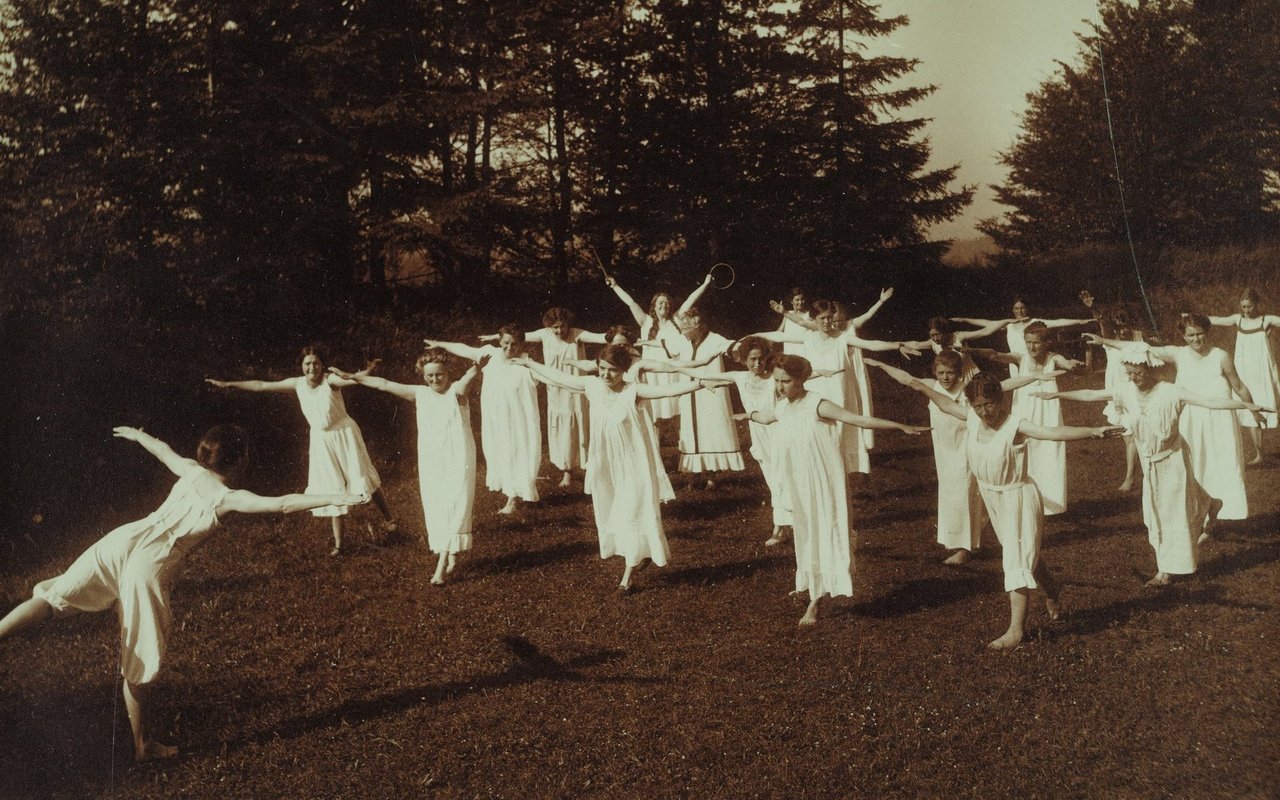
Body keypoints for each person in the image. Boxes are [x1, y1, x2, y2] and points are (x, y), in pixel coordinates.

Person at [0, 424, 367, 761]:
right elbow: (283, 503)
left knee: (51, 598)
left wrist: (136, 435)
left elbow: (163, 450)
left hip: (122, 540)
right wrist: (342, 496)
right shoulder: (227, 497)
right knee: (139, 660)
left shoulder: (192, 470)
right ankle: (143, 746)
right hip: (152, 564)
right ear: (239, 459)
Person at [877, 369, 1123, 649]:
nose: (984, 412)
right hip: (992, 498)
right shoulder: (971, 417)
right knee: (1021, 551)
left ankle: (1015, 632)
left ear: (1001, 400)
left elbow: (1053, 433)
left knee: (1016, 560)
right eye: (978, 405)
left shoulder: (1015, 424)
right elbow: (943, 402)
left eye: (989, 404)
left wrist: (1093, 431)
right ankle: (1052, 588)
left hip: (1017, 497)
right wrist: (918, 385)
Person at [1034, 344, 1266, 586]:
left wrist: (1247, 405)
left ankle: (1164, 572)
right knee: (1155, 513)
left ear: (1150, 369)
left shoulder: (1171, 391)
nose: (1134, 379)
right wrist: (1058, 395)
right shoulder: (1126, 391)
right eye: (1130, 374)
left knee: (1169, 515)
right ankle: (1208, 502)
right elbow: (1091, 394)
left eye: (1138, 373)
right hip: (1149, 464)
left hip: (1174, 459)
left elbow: (1210, 401)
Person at [512, 345, 725, 591]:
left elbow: (667, 390)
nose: (606, 375)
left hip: (635, 465)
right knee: (615, 513)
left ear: (624, 370)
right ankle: (639, 555)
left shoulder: (633, 391)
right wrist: (529, 363)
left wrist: (699, 384)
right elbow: (560, 378)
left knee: (632, 510)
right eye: (602, 369)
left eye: (612, 370)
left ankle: (628, 575)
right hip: (607, 465)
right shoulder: (592, 386)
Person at [743, 355, 928, 625]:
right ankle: (811, 580)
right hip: (798, 483)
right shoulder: (783, 407)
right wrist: (746, 414)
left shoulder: (818, 404)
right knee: (805, 535)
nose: (780, 387)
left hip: (823, 483)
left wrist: (898, 425)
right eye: (777, 381)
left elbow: (857, 419)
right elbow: (765, 417)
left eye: (786, 381)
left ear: (802, 379)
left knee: (825, 532)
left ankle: (816, 601)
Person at [866, 353, 1066, 565]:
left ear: (959, 372)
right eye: (941, 372)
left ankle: (966, 548)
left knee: (965, 497)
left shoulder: (969, 389)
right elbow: (907, 379)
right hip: (944, 452)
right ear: (935, 372)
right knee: (955, 498)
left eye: (950, 372)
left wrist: (1036, 377)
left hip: (968, 451)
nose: (945, 377)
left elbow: (1006, 384)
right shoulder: (933, 385)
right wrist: (879, 363)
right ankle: (976, 536)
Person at [205, 345, 396, 554]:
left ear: (322, 364)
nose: (312, 367)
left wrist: (368, 371)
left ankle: (390, 519)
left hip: (344, 434)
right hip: (321, 440)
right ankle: (340, 544)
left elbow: (352, 379)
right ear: (302, 365)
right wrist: (229, 384)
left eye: (316, 363)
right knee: (332, 487)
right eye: (307, 363)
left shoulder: (330, 381)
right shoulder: (296, 384)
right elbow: (261, 385)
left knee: (362, 475)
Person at [330, 349, 484, 585]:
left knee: (456, 502)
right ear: (423, 376)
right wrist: (353, 376)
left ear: (447, 373)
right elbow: (383, 383)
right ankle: (450, 552)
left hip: (458, 457)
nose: (434, 380)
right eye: (429, 376)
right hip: (432, 458)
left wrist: (476, 367)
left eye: (439, 374)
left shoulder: (456, 392)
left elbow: (465, 382)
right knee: (437, 505)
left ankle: (441, 566)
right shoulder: (420, 393)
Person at [1087, 313, 1259, 521]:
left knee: (1222, 463)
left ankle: (1227, 510)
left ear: (1207, 332)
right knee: (1191, 465)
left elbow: (1239, 386)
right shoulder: (1178, 354)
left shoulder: (1221, 356)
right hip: (1189, 419)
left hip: (1220, 422)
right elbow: (1141, 348)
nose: (1196, 339)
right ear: (1183, 336)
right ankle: (1199, 513)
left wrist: (1254, 410)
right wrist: (1104, 340)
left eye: (1200, 334)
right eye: (1191, 335)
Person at [762, 298, 921, 474]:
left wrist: (897, 346)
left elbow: (871, 345)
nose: (826, 322)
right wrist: (752, 337)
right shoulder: (807, 337)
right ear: (814, 319)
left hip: (840, 393)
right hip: (815, 395)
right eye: (822, 318)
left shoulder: (843, 339)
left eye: (829, 317)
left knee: (840, 433)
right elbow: (779, 336)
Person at [963, 322, 1084, 515]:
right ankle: (1027, 500)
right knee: (1024, 452)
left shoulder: (1053, 358)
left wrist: (1071, 364)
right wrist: (972, 350)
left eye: (1036, 342)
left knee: (1050, 451)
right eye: (1028, 342)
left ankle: (1050, 505)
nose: (1031, 347)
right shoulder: (1021, 359)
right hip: (1025, 410)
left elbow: (1065, 362)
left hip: (1048, 411)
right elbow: (995, 355)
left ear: (1046, 342)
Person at [482, 309, 609, 489]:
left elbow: (601, 337)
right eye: (555, 327)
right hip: (554, 388)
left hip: (573, 387)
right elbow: (518, 336)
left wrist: (615, 336)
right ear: (549, 326)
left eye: (562, 326)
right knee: (562, 429)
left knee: (577, 427)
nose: (559, 331)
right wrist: (493, 337)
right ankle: (567, 470)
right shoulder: (545, 335)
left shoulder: (577, 334)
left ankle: (587, 468)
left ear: (568, 324)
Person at [685, 336, 793, 545]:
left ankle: (782, 527)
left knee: (783, 479)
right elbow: (703, 375)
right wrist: (672, 369)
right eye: (752, 359)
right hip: (760, 437)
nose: (757, 363)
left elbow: (800, 377)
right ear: (744, 359)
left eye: (761, 358)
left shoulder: (774, 378)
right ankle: (784, 525)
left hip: (781, 433)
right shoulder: (740, 377)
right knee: (774, 481)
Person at [424, 327, 542, 515]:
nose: (510, 348)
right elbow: (463, 349)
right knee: (500, 451)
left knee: (518, 451)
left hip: (519, 419)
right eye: (505, 344)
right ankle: (512, 493)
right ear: (499, 342)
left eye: (514, 344)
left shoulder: (527, 364)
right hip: (496, 417)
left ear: (521, 344)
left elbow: (552, 377)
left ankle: (514, 497)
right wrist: (440, 344)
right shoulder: (490, 355)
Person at [604, 272, 714, 421]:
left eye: (667, 302)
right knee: (654, 413)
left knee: (678, 410)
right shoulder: (646, 322)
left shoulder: (676, 319)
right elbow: (630, 302)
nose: (665, 305)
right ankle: (655, 442)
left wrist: (705, 284)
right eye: (661, 302)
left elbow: (691, 299)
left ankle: (681, 442)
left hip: (674, 371)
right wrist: (615, 286)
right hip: (653, 373)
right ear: (654, 307)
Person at [1079, 291, 1153, 490]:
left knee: (1132, 435)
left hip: (1133, 393)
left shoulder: (1137, 340)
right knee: (1129, 435)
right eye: (1119, 327)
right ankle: (1144, 474)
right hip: (1115, 395)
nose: (1123, 331)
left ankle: (1130, 479)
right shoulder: (1108, 341)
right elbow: (1102, 325)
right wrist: (1093, 308)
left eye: (1126, 326)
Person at [670, 305, 745, 485]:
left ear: (698, 326)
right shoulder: (683, 341)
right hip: (690, 392)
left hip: (711, 394)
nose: (683, 332)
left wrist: (741, 345)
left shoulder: (715, 339)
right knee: (691, 431)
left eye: (686, 329)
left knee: (712, 430)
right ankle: (694, 475)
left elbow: (732, 346)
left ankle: (711, 475)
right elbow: (666, 347)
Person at [1206, 288, 1280, 463]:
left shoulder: (1265, 320)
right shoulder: (1237, 319)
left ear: (1257, 304)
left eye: (1249, 306)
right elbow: (1215, 320)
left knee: (1273, 403)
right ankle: (1259, 455)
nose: (1246, 310)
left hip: (1263, 371)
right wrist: (1192, 316)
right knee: (1250, 409)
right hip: (1245, 371)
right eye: (1243, 307)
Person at [953, 297, 1095, 377]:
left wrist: (1079, 321)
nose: (1019, 311)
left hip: (1035, 360)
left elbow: (1058, 321)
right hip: (1015, 360)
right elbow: (986, 323)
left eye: (1022, 308)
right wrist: (965, 319)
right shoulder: (1008, 324)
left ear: (1027, 308)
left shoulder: (1035, 323)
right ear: (1012, 310)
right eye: (1016, 308)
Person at [902, 316, 1014, 385]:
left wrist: (1008, 321)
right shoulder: (933, 343)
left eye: (938, 334)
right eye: (932, 335)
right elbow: (915, 344)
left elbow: (985, 332)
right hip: (952, 380)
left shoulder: (958, 337)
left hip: (971, 377)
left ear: (945, 331)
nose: (935, 338)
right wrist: (898, 346)